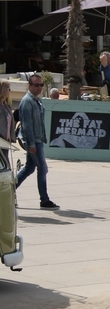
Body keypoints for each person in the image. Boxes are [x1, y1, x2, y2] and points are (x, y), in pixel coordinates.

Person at [15, 74, 59, 210]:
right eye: (36, 85)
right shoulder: (27, 101)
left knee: (29, 168)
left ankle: (7, 191)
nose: (39, 88)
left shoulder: (37, 100)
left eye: (41, 85)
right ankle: (44, 200)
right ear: (29, 86)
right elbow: (27, 125)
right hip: (33, 141)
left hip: (38, 139)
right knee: (43, 168)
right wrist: (32, 144)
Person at [0, 80, 13, 164]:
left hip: (6, 140)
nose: (10, 91)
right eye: (9, 89)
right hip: (0, 140)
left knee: (5, 165)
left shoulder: (6, 105)